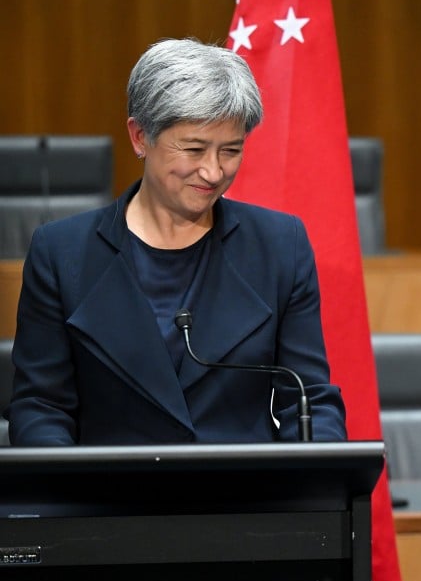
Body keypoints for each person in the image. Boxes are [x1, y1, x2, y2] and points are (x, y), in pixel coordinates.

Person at [6, 38, 347, 445]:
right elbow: (41, 407)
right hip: (111, 501)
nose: (213, 171)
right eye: (194, 148)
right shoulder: (62, 253)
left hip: (246, 501)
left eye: (231, 151)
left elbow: (307, 400)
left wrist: (317, 485)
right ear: (139, 137)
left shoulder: (278, 246)